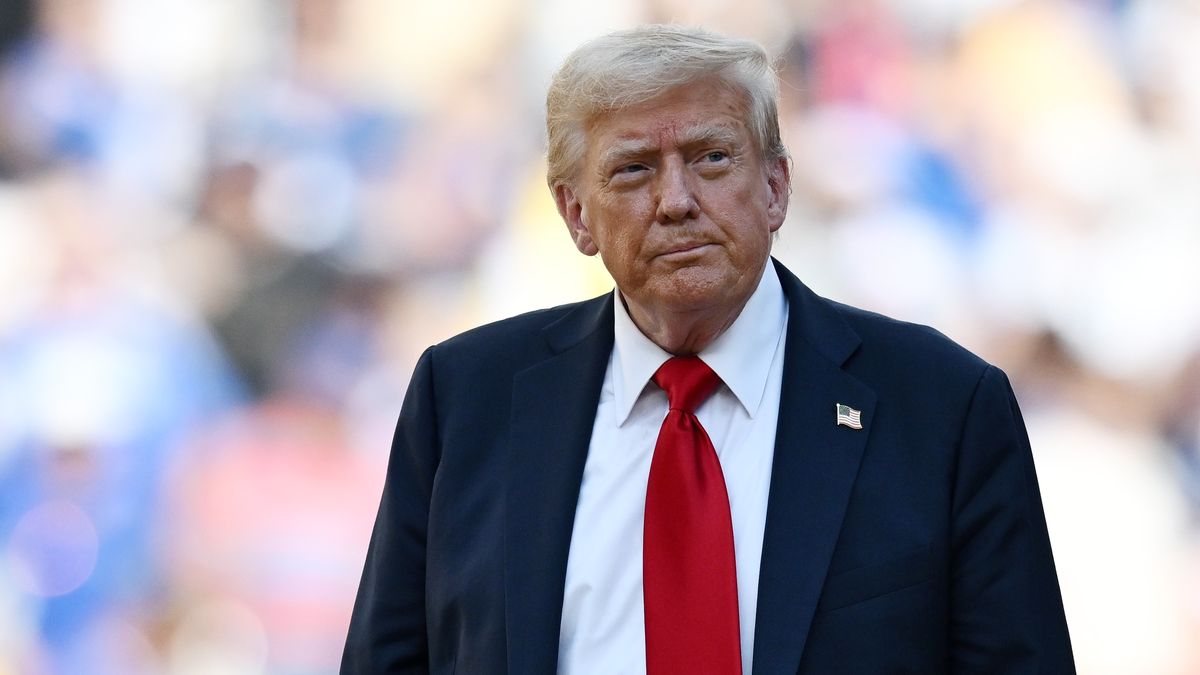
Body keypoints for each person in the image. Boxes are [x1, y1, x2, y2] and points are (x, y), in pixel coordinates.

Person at [342, 25, 1074, 674]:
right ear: (576, 214)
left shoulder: (942, 406)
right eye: (634, 168)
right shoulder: (465, 398)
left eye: (712, 158)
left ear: (776, 186)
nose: (676, 200)